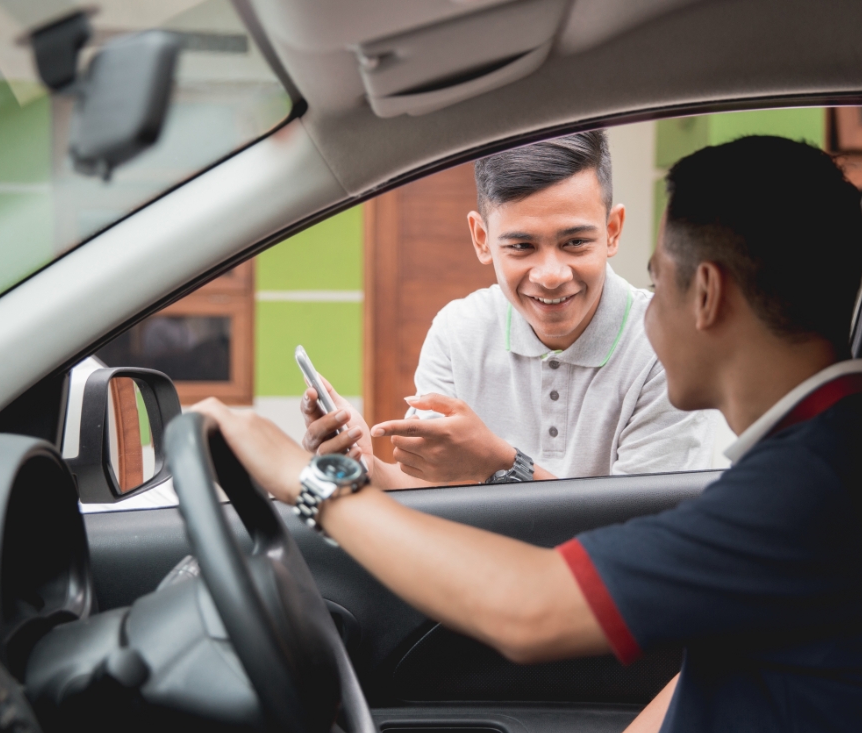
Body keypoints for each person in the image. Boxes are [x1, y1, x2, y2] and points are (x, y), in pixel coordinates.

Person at [196, 136, 862, 733]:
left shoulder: (810, 489)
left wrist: (306, 481)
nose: (641, 307)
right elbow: (711, 671)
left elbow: (528, 611)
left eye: (655, 280)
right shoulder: (836, 454)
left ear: (706, 295)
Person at [302, 131, 720, 488]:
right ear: (482, 239)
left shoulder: (665, 346)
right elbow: (430, 491)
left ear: (612, 232)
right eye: (522, 246)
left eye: (575, 242)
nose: (552, 274)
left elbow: (639, 536)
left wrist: (500, 464)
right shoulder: (457, 331)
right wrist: (367, 468)